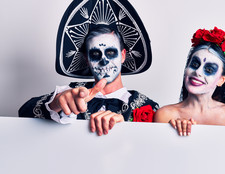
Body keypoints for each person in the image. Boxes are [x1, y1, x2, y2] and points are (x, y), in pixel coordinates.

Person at [18, 0, 159, 136]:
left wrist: (127, 131)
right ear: (87, 59)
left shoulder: (147, 107)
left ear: (123, 56)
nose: (104, 60)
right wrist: (56, 103)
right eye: (95, 54)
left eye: (110, 52)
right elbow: (23, 114)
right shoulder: (71, 94)